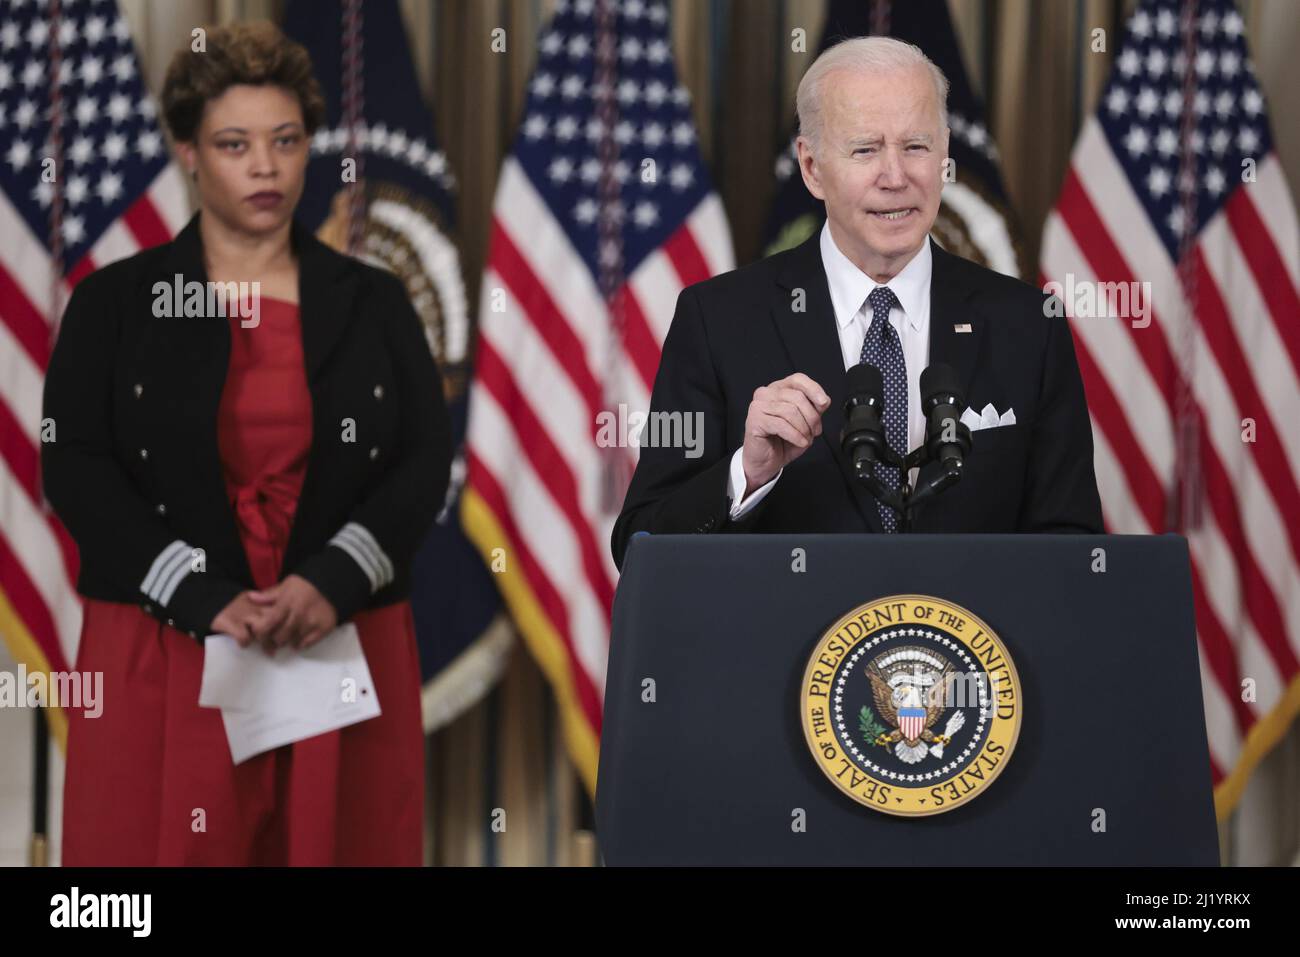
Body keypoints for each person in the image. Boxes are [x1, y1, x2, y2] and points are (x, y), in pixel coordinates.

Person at [42, 21, 451, 865]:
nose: (265, 167)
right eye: (235, 144)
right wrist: (199, 594)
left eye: (286, 141)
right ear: (189, 152)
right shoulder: (113, 303)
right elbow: (73, 464)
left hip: (336, 630)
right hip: (164, 638)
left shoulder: (375, 300)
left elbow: (422, 460)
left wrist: (331, 578)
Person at [611, 36, 1103, 569]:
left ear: (944, 156)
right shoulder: (719, 320)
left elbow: (1074, 553)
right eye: (865, 149)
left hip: (970, 650)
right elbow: (641, 547)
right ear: (812, 167)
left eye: (916, 146)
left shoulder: (1030, 326)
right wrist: (747, 473)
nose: (895, 177)